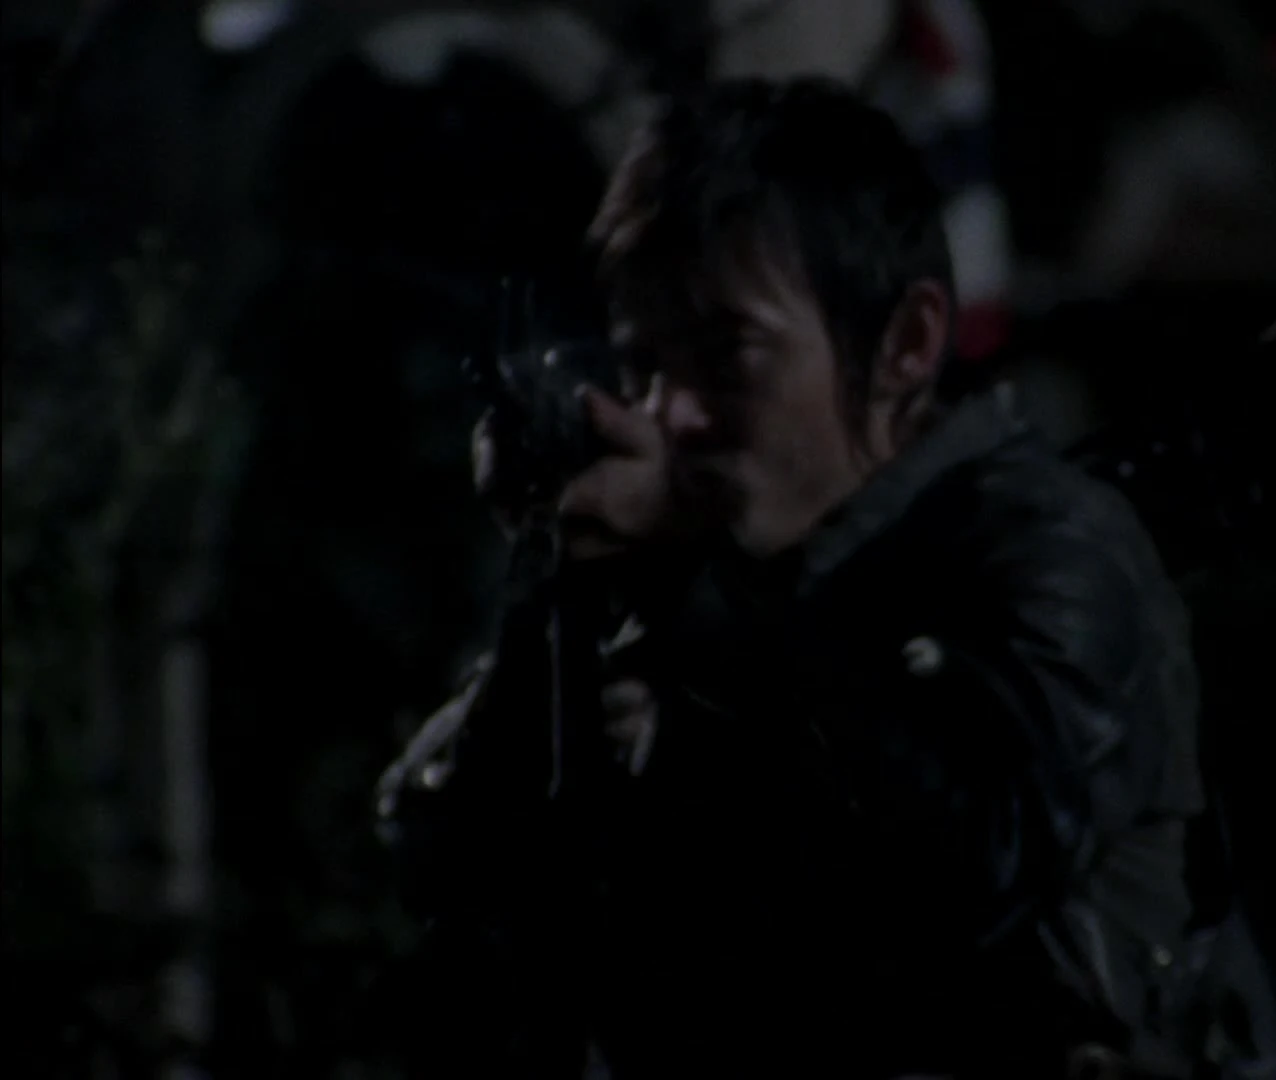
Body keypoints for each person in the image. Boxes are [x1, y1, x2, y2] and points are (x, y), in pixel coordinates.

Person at [383, 77, 1216, 1079]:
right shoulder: (700, 571)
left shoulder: (1044, 548)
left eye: (729, 353)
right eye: (648, 365)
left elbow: (966, 868)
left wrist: (693, 593)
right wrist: (558, 585)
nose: (674, 413)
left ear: (905, 343)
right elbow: (450, 856)